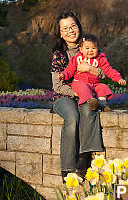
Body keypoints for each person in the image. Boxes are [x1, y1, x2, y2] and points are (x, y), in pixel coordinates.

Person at [51, 11, 105, 183]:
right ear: (60, 33)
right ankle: (67, 168)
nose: (70, 30)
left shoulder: (90, 46)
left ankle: (84, 156)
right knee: (73, 117)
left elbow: (103, 72)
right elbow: (57, 86)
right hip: (63, 96)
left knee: (89, 110)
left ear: (79, 27)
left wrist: (90, 70)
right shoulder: (59, 54)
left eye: (73, 26)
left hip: (87, 94)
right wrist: (80, 92)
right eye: (65, 28)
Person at [58, 34, 127, 111]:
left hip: (94, 84)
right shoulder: (77, 58)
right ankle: (90, 101)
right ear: (81, 49)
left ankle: (101, 103)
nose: (90, 50)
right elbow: (69, 70)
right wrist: (63, 75)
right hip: (79, 82)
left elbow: (109, 70)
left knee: (103, 87)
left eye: (93, 48)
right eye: (87, 48)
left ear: (97, 49)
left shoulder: (100, 59)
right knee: (83, 88)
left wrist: (118, 78)